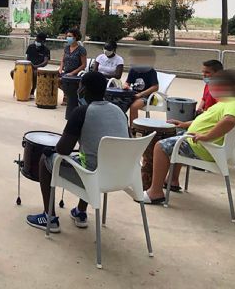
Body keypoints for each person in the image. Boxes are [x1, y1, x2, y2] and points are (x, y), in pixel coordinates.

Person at [26, 71, 129, 232]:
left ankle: (49, 217)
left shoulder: (81, 112)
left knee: (46, 159)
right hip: (121, 174)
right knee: (89, 156)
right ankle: (80, 212)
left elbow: (63, 149)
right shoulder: (120, 112)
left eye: (80, 86)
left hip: (94, 176)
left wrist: (53, 149)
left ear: (83, 90)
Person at [143, 70, 235, 204]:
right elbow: (208, 120)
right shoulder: (233, 101)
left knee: (160, 146)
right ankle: (172, 180)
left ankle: (155, 192)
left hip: (205, 147)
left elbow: (230, 121)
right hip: (202, 142)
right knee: (173, 135)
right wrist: (184, 124)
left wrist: (207, 136)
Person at [124, 48, 159, 124]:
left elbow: (155, 87)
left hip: (146, 96)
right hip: (134, 94)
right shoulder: (133, 70)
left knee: (134, 107)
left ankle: (133, 129)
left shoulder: (151, 71)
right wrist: (126, 86)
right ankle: (123, 125)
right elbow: (127, 82)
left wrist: (141, 94)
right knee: (120, 104)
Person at [9, 33, 50, 98]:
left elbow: (45, 62)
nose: (37, 41)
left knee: (34, 73)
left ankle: (32, 91)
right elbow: (27, 58)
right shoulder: (31, 47)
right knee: (12, 72)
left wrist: (35, 66)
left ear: (43, 41)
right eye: (36, 40)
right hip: (28, 66)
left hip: (38, 68)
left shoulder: (46, 50)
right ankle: (20, 87)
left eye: (39, 40)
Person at [58, 28, 87, 105]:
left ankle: (68, 96)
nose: (68, 38)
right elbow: (63, 60)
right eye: (67, 36)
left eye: (70, 36)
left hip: (76, 72)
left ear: (75, 37)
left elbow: (84, 65)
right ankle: (67, 94)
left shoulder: (81, 49)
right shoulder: (67, 48)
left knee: (67, 79)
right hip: (66, 71)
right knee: (56, 80)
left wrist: (72, 73)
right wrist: (60, 69)